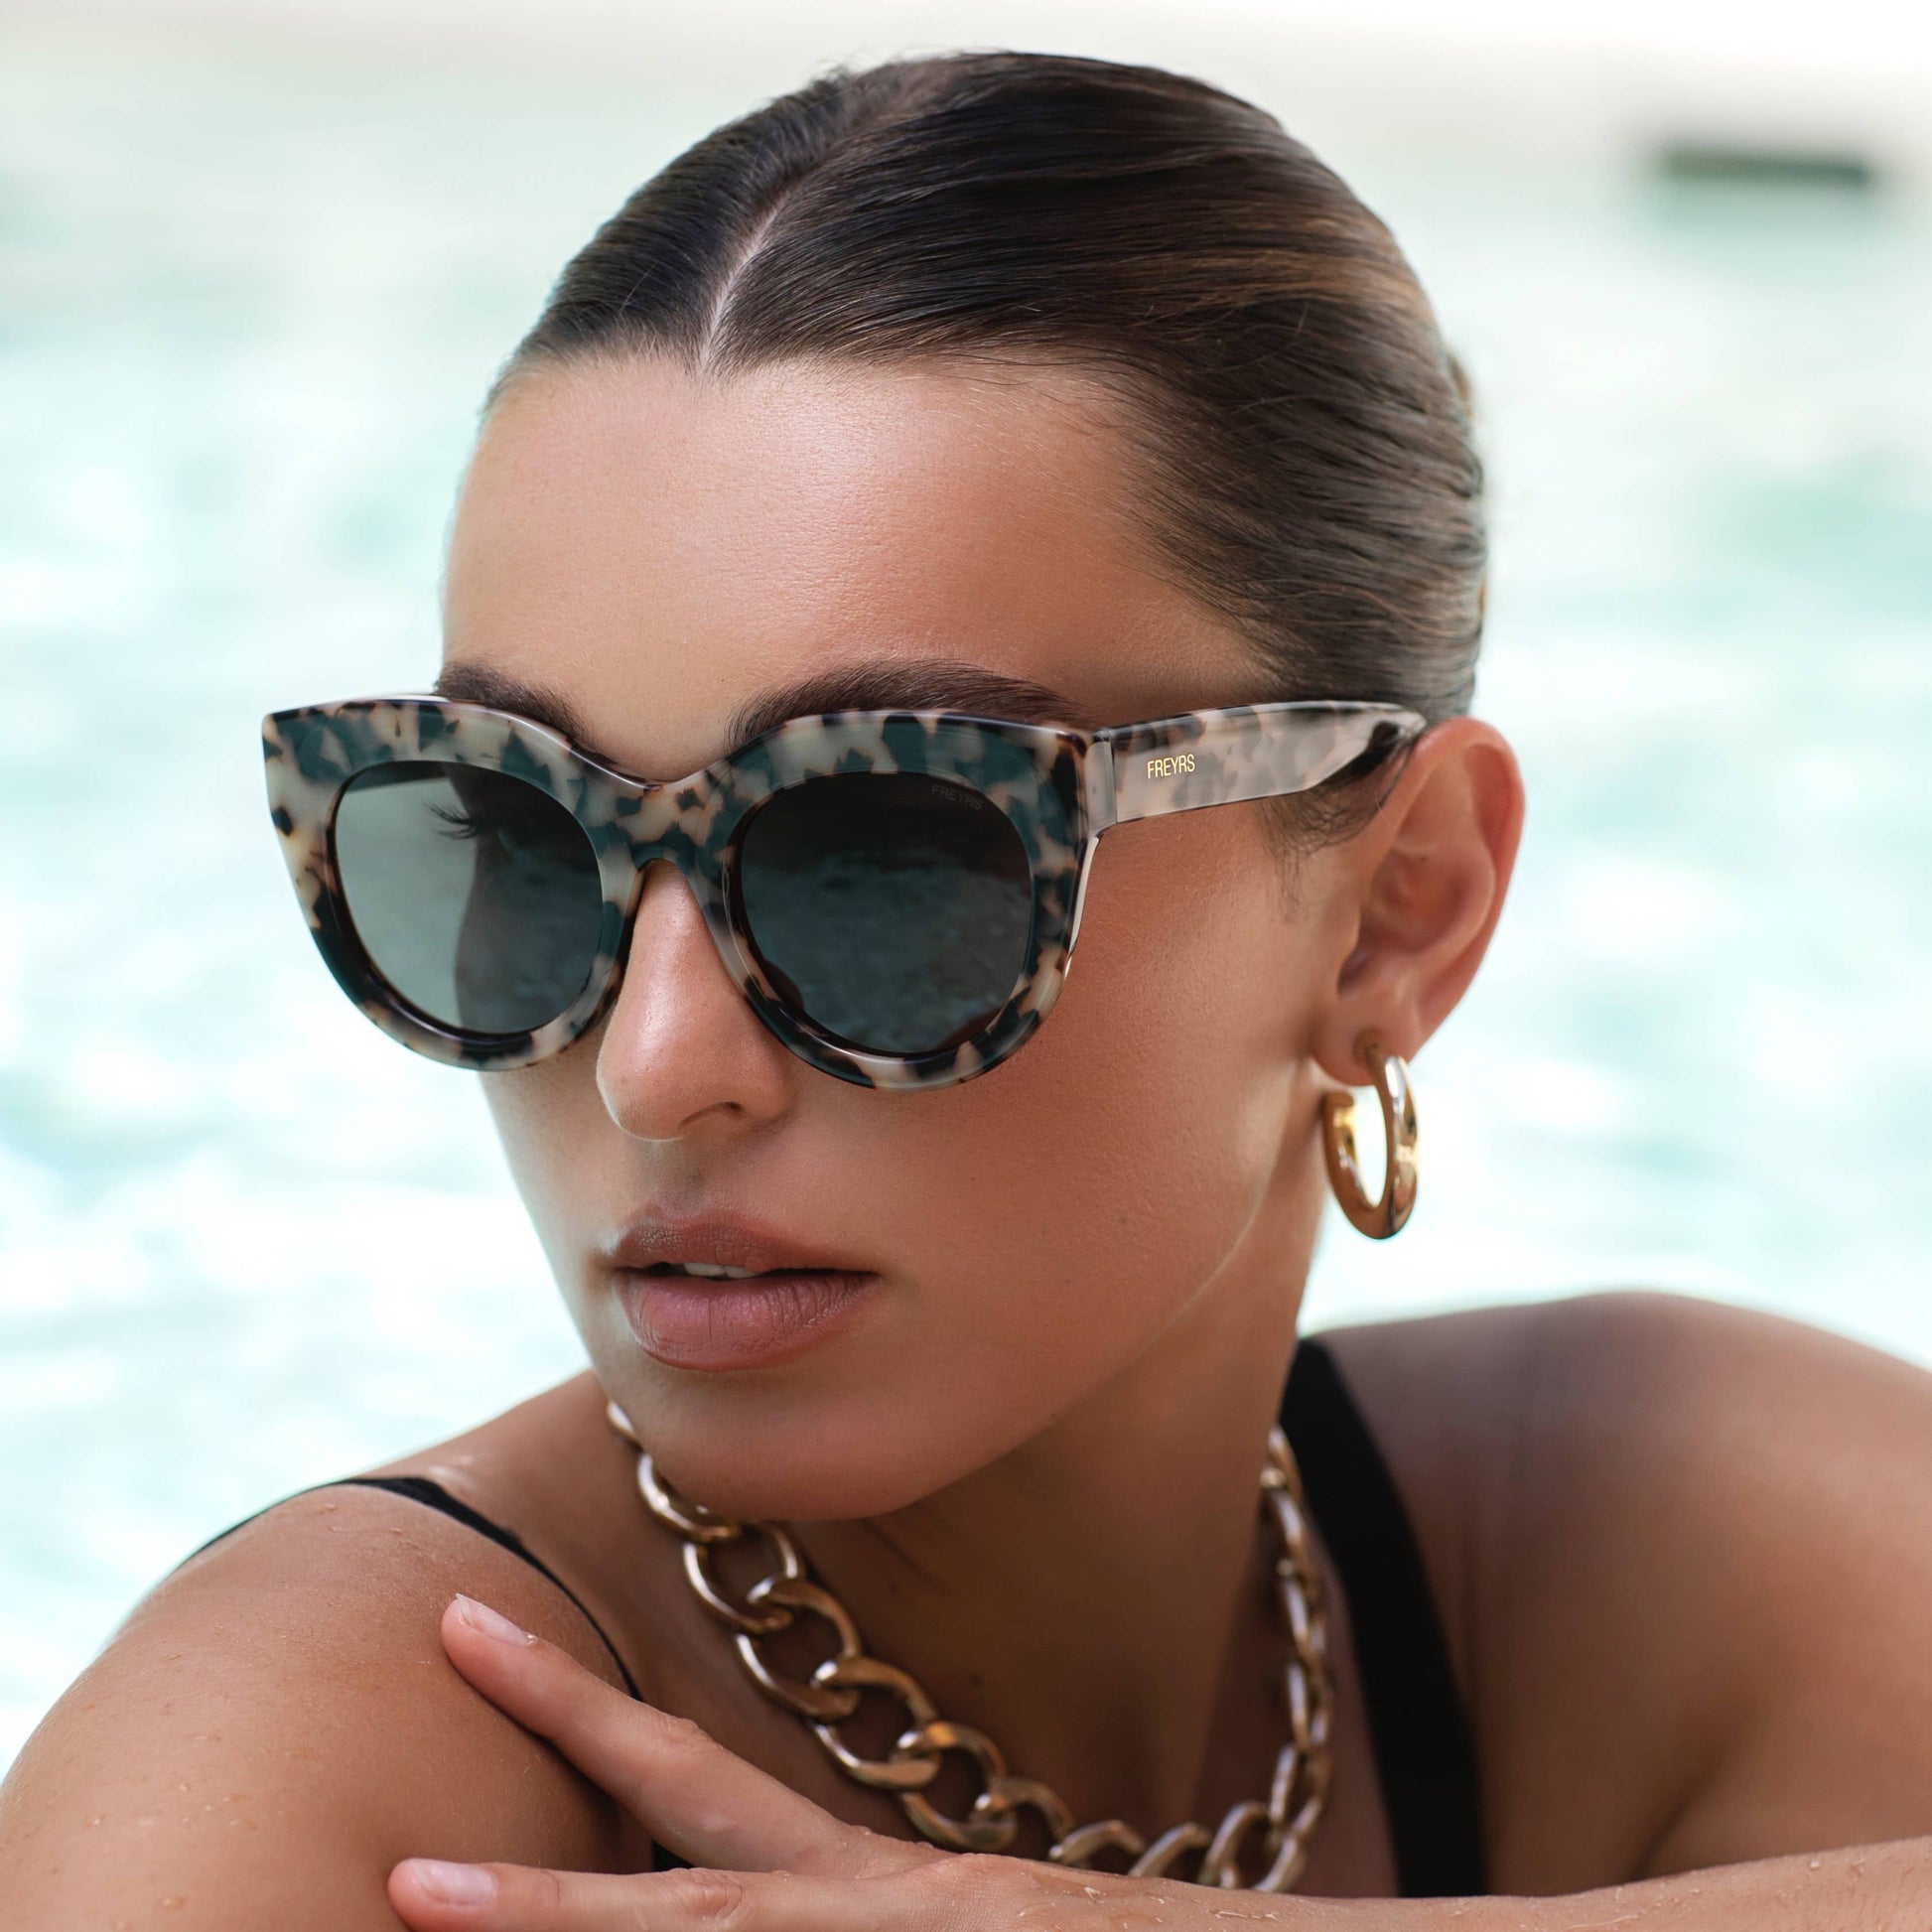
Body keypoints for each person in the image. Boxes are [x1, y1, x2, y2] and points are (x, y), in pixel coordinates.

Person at [4, 49, 1930, 1931]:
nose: (658, 1068)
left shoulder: (1673, 1544)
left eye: (882, 850)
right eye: (516, 835)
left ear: (1392, 916)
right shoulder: (296, 1774)